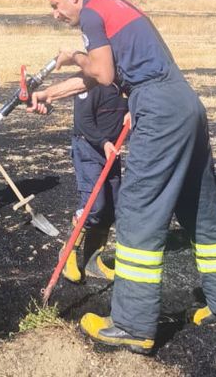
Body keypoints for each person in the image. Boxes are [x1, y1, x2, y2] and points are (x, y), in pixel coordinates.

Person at [30, 0, 216, 354]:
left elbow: (99, 70)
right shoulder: (116, 7)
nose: (55, 14)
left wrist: (73, 57)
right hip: (185, 104)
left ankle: (133, 325)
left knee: (137, 209)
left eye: (54, 6)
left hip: (158, 108)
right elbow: (102, 78)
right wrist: (51, 92)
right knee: (199, 209)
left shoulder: (91, 15)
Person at [61, 83, 127, 284]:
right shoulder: (91, 83)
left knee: (112, 207)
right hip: (89, 148)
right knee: (94, 205)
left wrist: (133, 112)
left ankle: (92, 262)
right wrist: (104, 142)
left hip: (111, 150)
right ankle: (68, 253)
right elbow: (83, 121)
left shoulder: (126, 82)